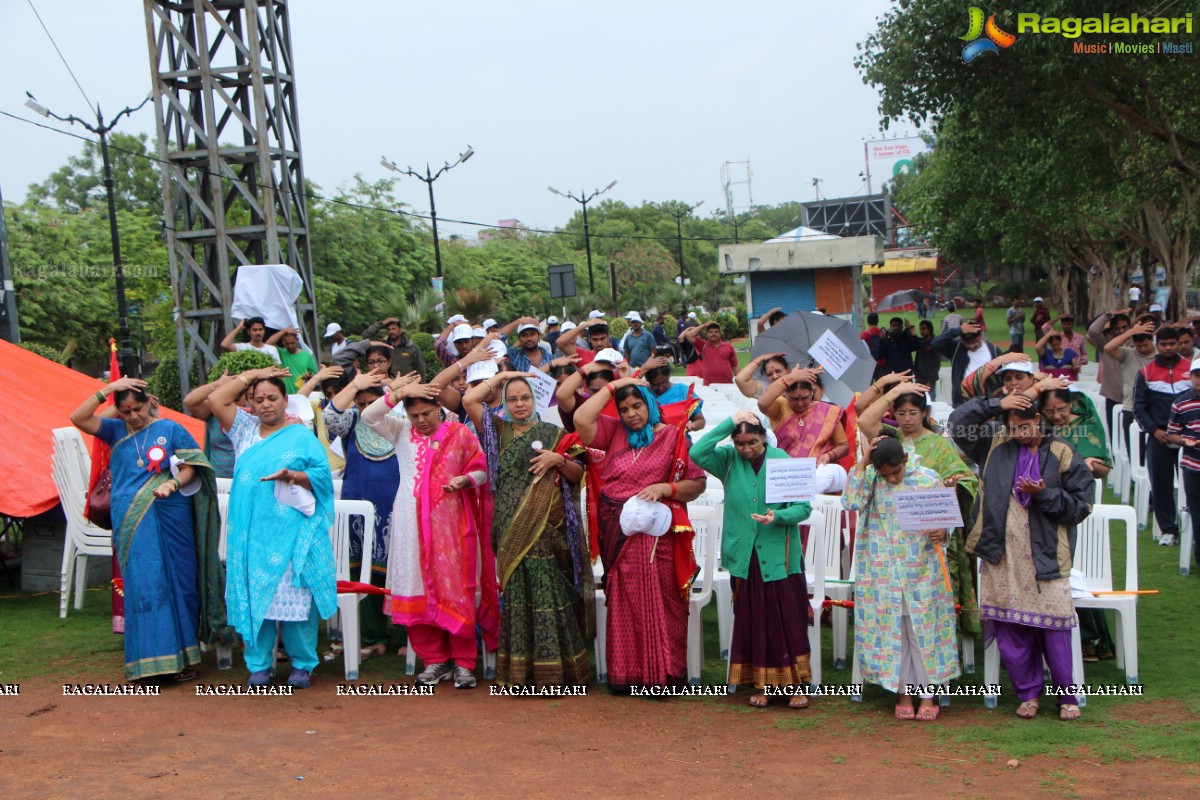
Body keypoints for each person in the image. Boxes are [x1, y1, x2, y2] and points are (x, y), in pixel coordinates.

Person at [70, 377, 226, 682]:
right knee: (146, 584)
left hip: (172, 513)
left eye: (137, 408)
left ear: (150, 403)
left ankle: (185, 658)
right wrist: (108, 390)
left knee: (181, 582)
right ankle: (149, 662)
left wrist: (174, 482)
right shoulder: (115, 431)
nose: (133, 416)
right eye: (125, 411)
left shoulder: (170, 430)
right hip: (132, 518)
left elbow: (195, 465)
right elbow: (79, 417)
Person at [361, 378, 497, 688]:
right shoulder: (399, 432)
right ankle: (435, 661)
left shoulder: (458, 433)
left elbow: (482, 467)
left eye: (427, 413)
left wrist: (466, 480)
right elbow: (368, 417)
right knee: (415, 586)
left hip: (450, 523)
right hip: (410, 524)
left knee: (454, 588)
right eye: (414, 415)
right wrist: (399, 393)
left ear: (439, 407)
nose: (421, 421)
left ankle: (463, 662)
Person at [573, 377, 706, 691]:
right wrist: (615, 385)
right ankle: (627, 675)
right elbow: (580, 418)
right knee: (623, 598)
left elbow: (697, 484)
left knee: (659, 597)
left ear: (649, 404)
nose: (631, 413)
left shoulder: (673, 437)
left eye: (636, 405)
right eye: (624, 408)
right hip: (616, 527)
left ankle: (662, 675)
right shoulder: (615, 433)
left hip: (654, 531)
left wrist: (666, 488)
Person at [463, 371, 594, 686]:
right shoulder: (496, 430)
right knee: (519, 593)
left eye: (524, 397)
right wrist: (504, 375)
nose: (519, 404)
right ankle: (520, 675)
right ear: (504, 402)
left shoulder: (554, 432)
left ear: (534, 399)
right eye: (512, 398)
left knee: (549, 590)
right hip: (509, 528)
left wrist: (558, 460)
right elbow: (469, 399)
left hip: (548, 528)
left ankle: (559, 674)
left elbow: (578, 474)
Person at [209, 367, 337, 688]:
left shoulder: (301, 436)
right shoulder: (243, 430)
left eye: (272, 397)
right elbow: (216, 398)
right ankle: (259, 665)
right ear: (250, 403)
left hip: (292, 531)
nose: (266, 404)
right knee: (258, 600)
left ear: (285, 401)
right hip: (253, 534)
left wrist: (291, 476)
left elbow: (322, 477)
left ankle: (303, 664)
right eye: (259, 398)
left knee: (297, 599)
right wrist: (256, 373)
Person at [966, 404, 1094, 721]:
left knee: (1055, 626)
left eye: (1025, 427)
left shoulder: (1062, 451)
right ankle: (1028, 694)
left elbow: (1082, 504)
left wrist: (1044, 495)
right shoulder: (995, 448)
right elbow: (959, 422)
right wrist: (997, 404)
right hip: (1001, 552)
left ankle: (1067, 696)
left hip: (1045, 554)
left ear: (1037, 420)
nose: (1020, 434)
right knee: (1011, 626)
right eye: (1013, 428)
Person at [690, 411, 813, 708]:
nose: (747, 449)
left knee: (785, 619)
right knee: (754, 618)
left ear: (764, 437)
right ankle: (764, 685)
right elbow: (697, 451)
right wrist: (729, 423)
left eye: (753, 442)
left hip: (779, 557)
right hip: (744, 555)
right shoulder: (728, 461)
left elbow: (804, 508)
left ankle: (796, 687)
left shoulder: (782, 461)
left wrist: (778, 516)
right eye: (740, 442)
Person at [843, 434, 960, 721]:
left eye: (896, 471)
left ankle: (928, 696)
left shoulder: (928, 478)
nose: (892, 478)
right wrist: (862, 463)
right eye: (887, 474)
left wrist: (943, 531)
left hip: (922, 569)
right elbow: (851, 502)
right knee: (894, 632)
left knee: (923, 633)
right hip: (883, 571)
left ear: (905, 460)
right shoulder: (870, 479)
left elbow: (946, 523)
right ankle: (903, 693)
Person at [858, 383, 981, 643]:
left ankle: (943, 649)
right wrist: (893, 389)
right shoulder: (891, 439)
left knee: (931, 598)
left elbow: (967, 480)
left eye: (913, 412)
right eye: (901, 413)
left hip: (929, 531)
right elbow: (865, 419)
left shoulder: (938, 444)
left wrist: (953, 486)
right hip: (893, 532)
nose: (907, 418)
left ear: (923, 413)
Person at [323, 369, 404, 662]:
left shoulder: (403, 420)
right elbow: (330, 418)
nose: (367, 407)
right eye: (361, 402)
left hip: (398, 507)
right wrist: (356, 385)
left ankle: (407, 635)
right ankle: (372, 636)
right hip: (359, 507)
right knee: (362, 571)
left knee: (403, 568)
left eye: (374, 400)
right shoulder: (352, 421)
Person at [1041, 388, 1115, 663]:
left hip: (1081, 508)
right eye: (1050, 411)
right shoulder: (1039, 429)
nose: (1057, 416)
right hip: (1049, 508)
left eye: (1061, 409)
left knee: (1082, 574)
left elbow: (1106, 466)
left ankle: (1094, 641)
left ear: (1070, 404)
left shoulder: (1086, 425)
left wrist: (1092, 465)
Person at [1133, 326, 1189, 546]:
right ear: (1157, 344)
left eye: (1172, 344)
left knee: (1193, 484)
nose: (1168, 348)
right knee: (1161, 484)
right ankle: (1169, 530)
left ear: (1179, 344)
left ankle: (1194, 528)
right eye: (1163, 344)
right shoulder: (1146, 372)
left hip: (1189, 440)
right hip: (1160, 437)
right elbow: (1139, 408)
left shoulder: (1190, 369)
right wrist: (1154, 430)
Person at [757, 367, 850, 465]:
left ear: (811, 394)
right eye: (794, 399)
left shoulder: (827, 411)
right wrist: (790, 378)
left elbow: (843, 446)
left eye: (805, 398)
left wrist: (829, 455)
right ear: (786, 395)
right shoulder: (781, 405)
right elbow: (762, 403)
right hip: (786, 471)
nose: (800, 403)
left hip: (818, 471)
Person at [1104, 317, 1158, 455]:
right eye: (1139, 346)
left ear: (1152, 340)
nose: (1143, 349)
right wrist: (1131, 331)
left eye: (1146, 345)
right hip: (1131, 409)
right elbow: (1108, 348)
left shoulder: (1160, 355)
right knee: (1134, 454)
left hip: (1156, 410)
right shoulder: (1128, 354)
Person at [1167, 358, 1200, 572]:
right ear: (1191, 377)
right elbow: (1172, 434)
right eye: (1197, 375)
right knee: (1197, 514)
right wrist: (1183, 441)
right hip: (1193, 467)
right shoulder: (1181, 402)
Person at [1087, 309, 1132, 440]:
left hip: (1134, 397)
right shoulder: (1106, 345)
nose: (1122, 331)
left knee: (1133, 433)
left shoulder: (1136, 344)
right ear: (1112, 331)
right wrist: (1108, 315)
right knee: (1115, 433)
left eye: (1125, 327)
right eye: (1117, 328)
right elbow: (1093, 331)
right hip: (1113, 394)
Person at [932, 321, 1000, 407]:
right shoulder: (957, 348)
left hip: (988, 402)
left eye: (975, 341)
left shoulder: (993, 350)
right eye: (967, 342)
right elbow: (935, 344)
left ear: (981, 336)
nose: (971, 345)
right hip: (963, 404)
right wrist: (958, 330)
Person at [361, 317, 426, 379]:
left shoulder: (411, 347)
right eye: (389, 330)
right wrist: (382, 323)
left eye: (394, 329)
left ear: (400, 329)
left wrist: (421, 385)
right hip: (388, 385)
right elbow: (366, 335)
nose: (391, 331)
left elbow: (420, 369)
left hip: (408, 385)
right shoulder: (384, 346)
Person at [680, 321, 738, 386]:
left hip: (727, 384)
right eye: (711, 332)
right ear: (707, 334)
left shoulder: (728, 346)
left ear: (720, 334)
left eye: (716, 332)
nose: (714, 334)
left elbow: (735, 367)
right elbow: (689, 335)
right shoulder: (703, 345)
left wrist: (739, 381)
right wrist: (704, 325)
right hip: (709, 386)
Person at [266, 327, 320, 393]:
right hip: (284, 394)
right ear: (283, 343)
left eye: (292, 343)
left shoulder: (307, 355)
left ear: (297, 340)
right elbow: (268, 344)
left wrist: (309, 375)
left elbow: (316, 375)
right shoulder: (281, 353)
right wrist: (283, 331)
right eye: (287, 343)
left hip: (302, 394)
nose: (290, 346)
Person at [913, 320, 942, 399]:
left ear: (929, 329)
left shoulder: (934, 343)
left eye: (924, 329)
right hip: (919, 377)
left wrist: (931, 381)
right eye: (920, 329)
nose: (921, 331)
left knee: (930, 401)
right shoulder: (921, 342)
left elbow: (937, 364)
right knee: (918, 400)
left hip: (929, 379)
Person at [860, 312, 886, 379]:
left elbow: (861, 349)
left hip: (870, 364)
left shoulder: (865, 334)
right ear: (877, 321)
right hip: (881, 362)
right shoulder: (882, 333)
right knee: (880, 386)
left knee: (869, 387)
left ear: (868, 321)